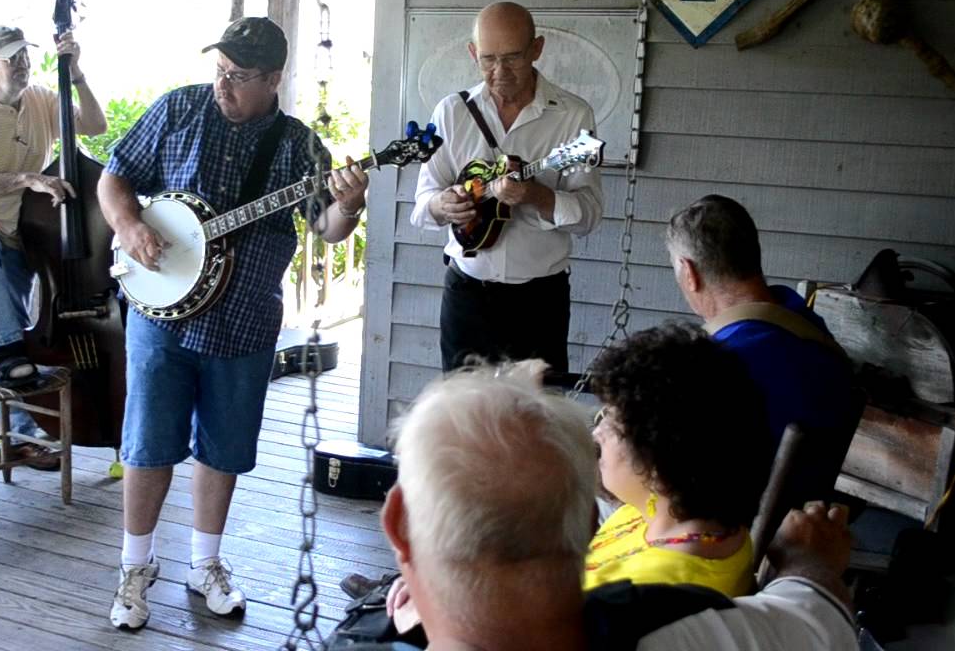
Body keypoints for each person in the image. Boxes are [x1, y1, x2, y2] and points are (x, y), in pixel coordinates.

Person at [96, 16, 369, 630]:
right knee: (146, 444)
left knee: (223, 448)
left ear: (274, 79)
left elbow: (326, 228)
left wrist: (349, 202)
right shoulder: (177, 111)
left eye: (240, 77)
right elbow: (115, 175)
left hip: (243, 322)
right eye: (219, 71)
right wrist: (129, 225)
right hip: (160, 314)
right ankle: (134, 568)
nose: (224, 86)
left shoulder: (299, 147)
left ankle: (205, 562)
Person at [364, 361, 858, 650]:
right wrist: (805, 562)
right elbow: (821, 619)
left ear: (399, 526)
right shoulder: (688, 627)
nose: (597, 431)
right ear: (582, 521)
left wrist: (426, 615)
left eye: (608, 422)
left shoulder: (669, 578)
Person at [0, 25, 107, 471]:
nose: (22, 64)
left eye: (25, 56)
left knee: (35, 322)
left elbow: (95, 125)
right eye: (12, 58)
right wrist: (27, 178)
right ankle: (3, 356)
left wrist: (77, 71)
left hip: (23, 230)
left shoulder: (43, 99)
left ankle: (23, 437)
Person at [409, 1, 602, 372]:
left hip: (539, 300)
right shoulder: (452, 112)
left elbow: (589, 215)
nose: (499, 72)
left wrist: (536, 195)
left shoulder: (574, 116)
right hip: (466, 293)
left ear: (537, 49)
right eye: (487, 59)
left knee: (535, 419)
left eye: (513, 58)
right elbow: (423, 204)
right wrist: (444, 205)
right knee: (463, 420)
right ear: (472, 54)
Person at [666, 195, 860, 519]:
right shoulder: (799, 318)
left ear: (689, 274)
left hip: (748, 525)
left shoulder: (723, 361)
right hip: (813, 509)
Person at [585, 322, 772, 596]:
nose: (598, 432)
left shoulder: (654, 589)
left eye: (612, 422)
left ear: (657, 460)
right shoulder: (676, 516)